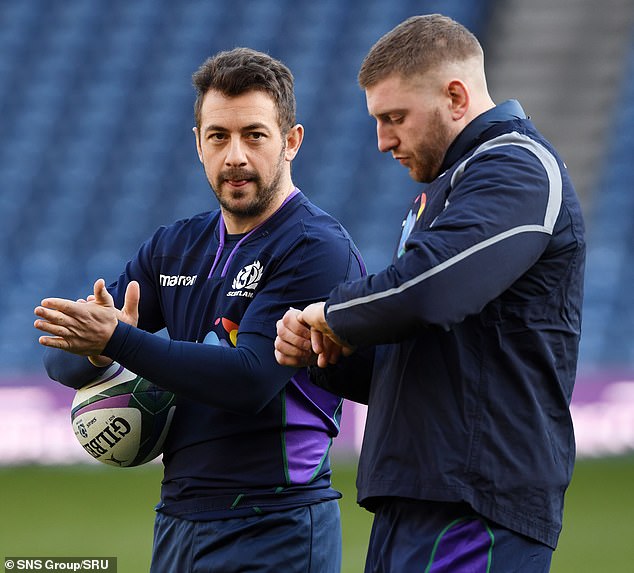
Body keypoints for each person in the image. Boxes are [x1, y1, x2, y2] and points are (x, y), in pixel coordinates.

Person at [34, 47, 364, 573]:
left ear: (291, 142)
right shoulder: (174, 246)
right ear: (198, 145)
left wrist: (116, 342)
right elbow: (61, 357)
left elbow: (250, 380)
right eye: (219, 136)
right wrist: (94, 351)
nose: (235, 155)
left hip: (274, 525)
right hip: (179, 521)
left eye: (254, 135)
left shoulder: (315, 247)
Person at [275, 14, 585, 573]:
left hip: (476, 501)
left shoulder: (516, 167)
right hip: (424, 494)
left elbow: (428, 294)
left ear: (457, 96)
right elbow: (426, 351)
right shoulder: (455, 186)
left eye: (394, 117)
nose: (382, 140)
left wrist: (332, 314)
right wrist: (328, 357)